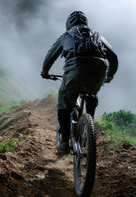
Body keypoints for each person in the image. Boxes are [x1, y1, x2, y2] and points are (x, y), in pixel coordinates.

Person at [41, 11, 118, 154]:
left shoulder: (66, 35)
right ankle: (89, 130)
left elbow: (50, 56)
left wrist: (45, 73)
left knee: (64, 102)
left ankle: (64, 142)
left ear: (68, 24)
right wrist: (109, 76)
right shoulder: (97, 35)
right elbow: (113, 57)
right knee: (92, 95)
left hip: (75, 71)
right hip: (99, 70)